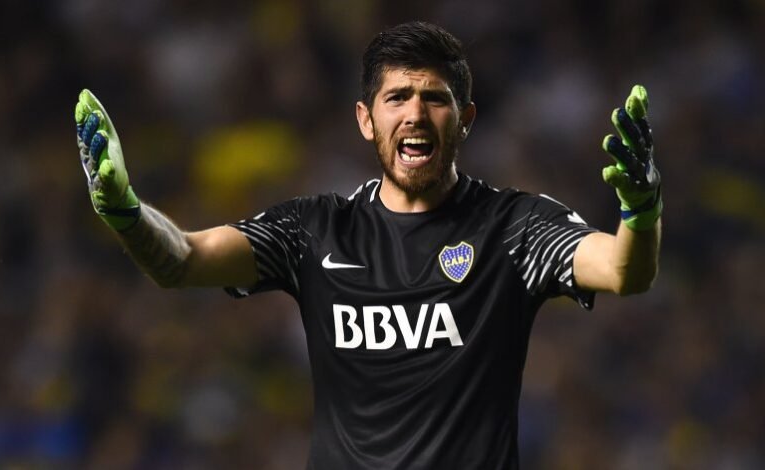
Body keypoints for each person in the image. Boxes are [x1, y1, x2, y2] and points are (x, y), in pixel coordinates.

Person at [74, 21, 661, 470]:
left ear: (466, 119)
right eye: (397, 97)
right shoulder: (314, 230)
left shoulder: (514, 227)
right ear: (365, 119)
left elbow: (621, 271)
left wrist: (641, 208)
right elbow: (182, 259)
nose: (415, 113)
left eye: (435, 98)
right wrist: (126, 212)